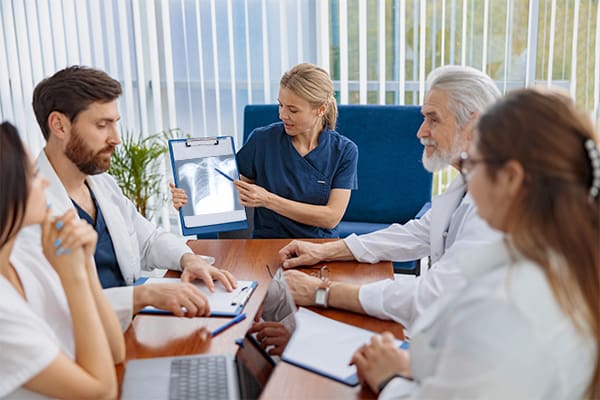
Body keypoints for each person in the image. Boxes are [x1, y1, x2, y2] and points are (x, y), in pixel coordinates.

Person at [351, 88, 600, 399]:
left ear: (510, 178)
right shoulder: (567, 261)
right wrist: (410, 365)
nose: (466, 173)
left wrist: (388, 379)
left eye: (472, 162)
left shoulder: (503, 305)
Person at [13, 66, 237, 330]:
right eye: (102, 125)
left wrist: (189, 260)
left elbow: (149, 241)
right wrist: (144, 295)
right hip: (82, 347)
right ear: (59, 125)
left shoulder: (101, 184)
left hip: (130, 328)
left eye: (115, 123)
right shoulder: (24, 210)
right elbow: (54, 306)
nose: (116, 139)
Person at [280, 65, 501, 329]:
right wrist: (323, 250)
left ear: (472, 125)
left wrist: (321, 291)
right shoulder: (470, 182)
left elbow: (430, 298)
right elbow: (418, 233)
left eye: (433, 119)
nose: (421, 132)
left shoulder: (497, 206)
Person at [0, 122, 125, 399]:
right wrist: (74, 279)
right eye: (32, 175)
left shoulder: (30, 249)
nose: (43, 180)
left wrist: (84, 265)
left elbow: (116, 350)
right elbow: (101, 391)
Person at [171, 62, 359, 238]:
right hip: (267, 245)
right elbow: (231, 190)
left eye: (293, 110)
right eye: (281, 105)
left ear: (320, 109)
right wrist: (190, 198)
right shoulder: (262, 140)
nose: (282, 115)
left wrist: (268, 200)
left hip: (319, 248)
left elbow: (331, 217)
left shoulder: (344, 151)